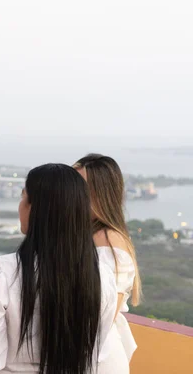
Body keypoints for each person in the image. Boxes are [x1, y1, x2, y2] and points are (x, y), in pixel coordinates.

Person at [0, 163, 120, 374]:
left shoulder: (1, 274)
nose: (20, 205)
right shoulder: (102, 277)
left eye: (23, 197)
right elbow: (94, 357)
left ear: (35, 208)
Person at [74, 154, 141, 366]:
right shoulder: (87, 234)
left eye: (79, 186)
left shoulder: (108, 242)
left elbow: (99, 320)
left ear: (100, 194)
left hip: (92, 358)